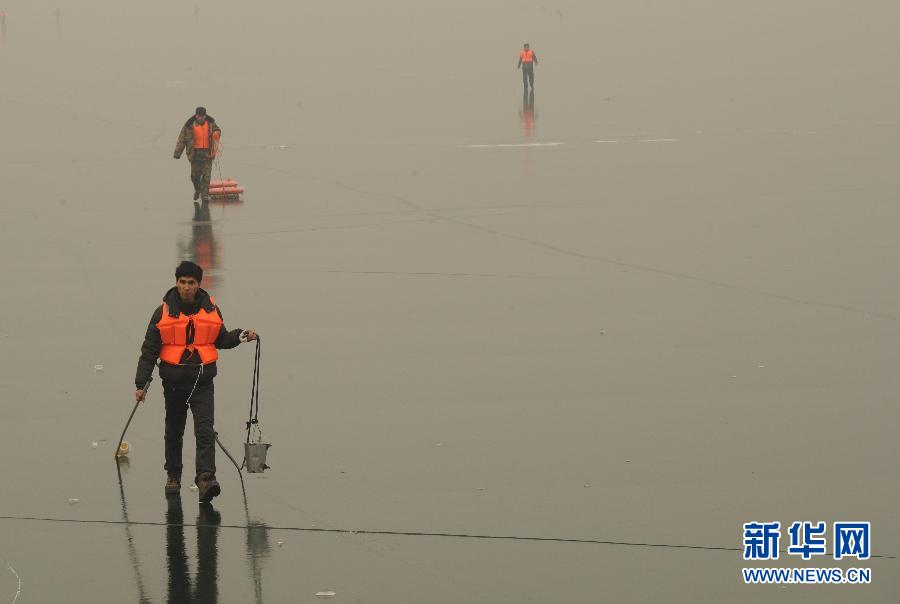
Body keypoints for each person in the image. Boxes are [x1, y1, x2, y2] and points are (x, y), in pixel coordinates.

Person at [134, 261, 257, 502]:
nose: (186, 287)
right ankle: (173, 475)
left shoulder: (211, 311)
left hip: (202, 383)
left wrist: (242, 336)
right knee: (174, 430)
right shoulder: (162, 313)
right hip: (173, 384)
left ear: (199, 285)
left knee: (204, 430)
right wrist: (141, 384)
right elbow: (149, 350)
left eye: (191, 283)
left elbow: (221, 339)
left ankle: (205, 478)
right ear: (176, 283)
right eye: (182, 282)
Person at [174, 107, 221, 202]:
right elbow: (182, 139)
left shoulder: (211, 123)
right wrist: (177, 153)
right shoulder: (189, 125)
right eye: (199, 116)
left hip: (207, 154)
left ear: (205, 116)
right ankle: (197, 189)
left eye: (202, 116)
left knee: (206, 176)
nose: (200, 118)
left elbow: (218, 130)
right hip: (195, 154)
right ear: (196, 115)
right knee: (194, 176)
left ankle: (204, 196)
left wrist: (216, 134)